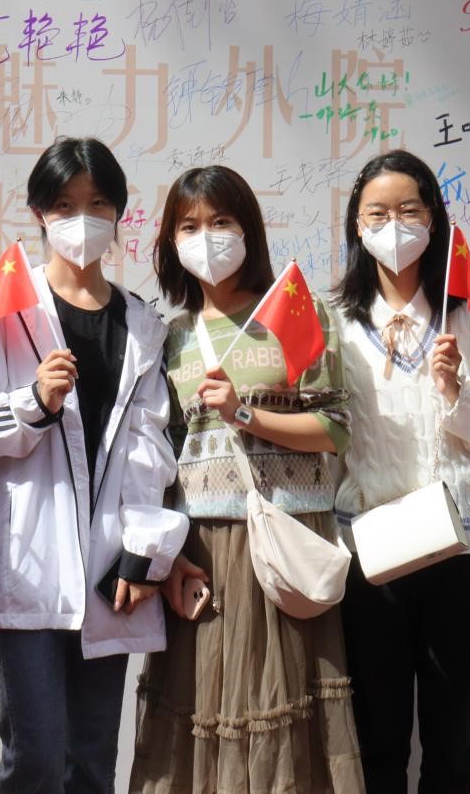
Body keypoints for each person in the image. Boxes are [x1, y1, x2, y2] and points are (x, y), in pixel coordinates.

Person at [130, 165, 365, 794]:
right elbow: (162, 454)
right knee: (202, 715)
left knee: (283, 718)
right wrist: (168, 552)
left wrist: (244, 413)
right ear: (171, 241)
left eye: (221, 221)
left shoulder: (296, 311)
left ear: (248, 230)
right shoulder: (170, 336)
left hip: (285, 538)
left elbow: (335, 429)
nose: (206, 238)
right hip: (203, 547)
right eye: (189, 226)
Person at [0, 137, 186, 794]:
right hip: (29, 563)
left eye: (96, 204)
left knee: (91, 759)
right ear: (38, 211)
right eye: (64, 204)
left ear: (118, 213)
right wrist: (34, 402)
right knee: (34, 754)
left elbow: (151, 449)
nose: (80, 219)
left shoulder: (141, 323)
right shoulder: (6, 310)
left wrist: (143, 554)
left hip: (108, 570)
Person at [332, 150, 470, 794]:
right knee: (377, 742)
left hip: (463, 548)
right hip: (372, 554)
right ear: (356, 225)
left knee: (451, 743)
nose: (394, 226)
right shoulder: (336, 323)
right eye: (377, 213)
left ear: (434, 219)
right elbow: (326, 438)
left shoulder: (468, 315)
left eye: (409, 210)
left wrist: (456, 389)